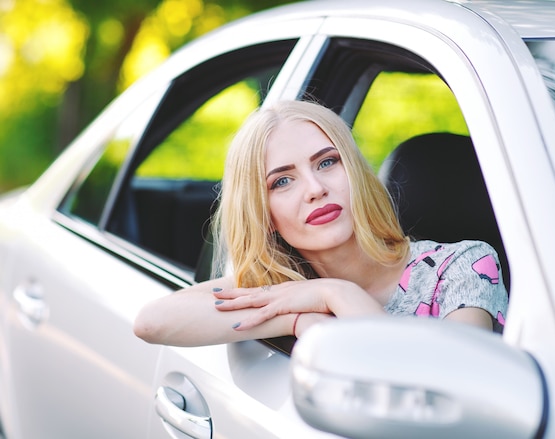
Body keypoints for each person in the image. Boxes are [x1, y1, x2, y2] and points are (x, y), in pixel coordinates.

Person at [133, 100, 508, 347]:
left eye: (327, 162)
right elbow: (152, 322)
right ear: (264, 217)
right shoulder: (285, 289)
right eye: (282, 181)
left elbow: (453, 381)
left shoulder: (465, 265)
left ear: (355, 172)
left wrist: (337, 295)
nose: (315, 189)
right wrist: (297, 320)